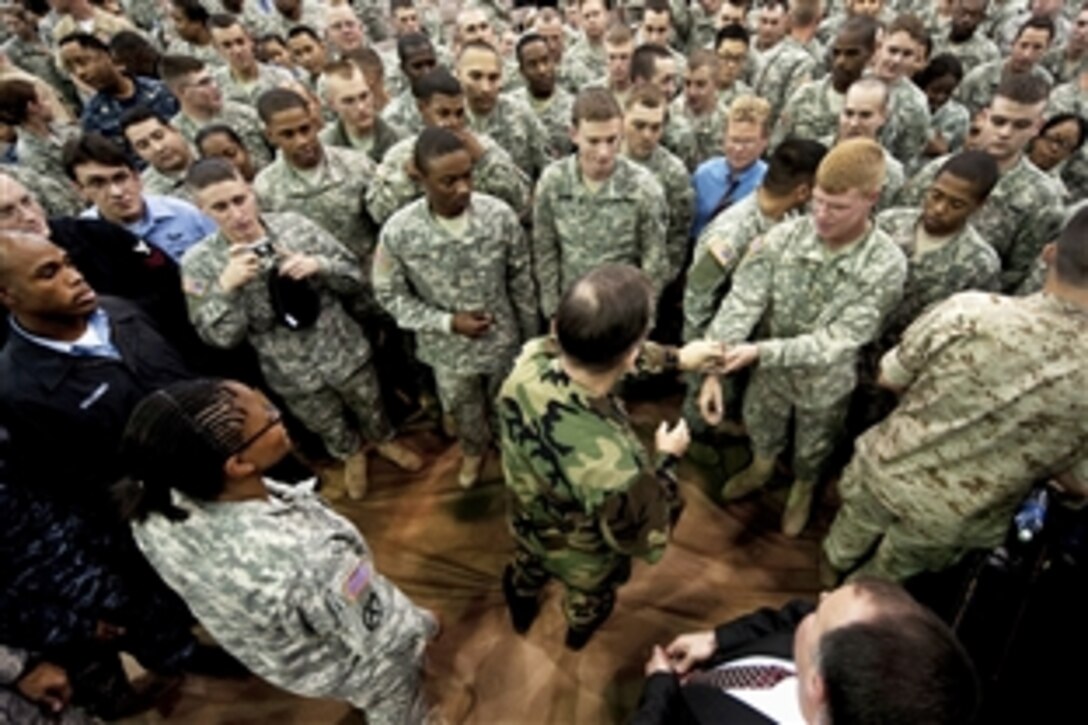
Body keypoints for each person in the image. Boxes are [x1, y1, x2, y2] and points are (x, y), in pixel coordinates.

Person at [120, 379, 437, 724]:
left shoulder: (155, 507)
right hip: (352, 658)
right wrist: (407, 631)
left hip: (280, 652)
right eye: (269, 418)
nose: (277, 413)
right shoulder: (312, 559)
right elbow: (382, 636)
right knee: (394, 691)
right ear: (238, 465)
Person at [822, 207, 1088, 584]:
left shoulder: (969, 313)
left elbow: (889, 376)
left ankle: (826, 576)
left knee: (843, 544)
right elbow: (1078, 482)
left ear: (1048, 253)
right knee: (882, 583)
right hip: (959, 515)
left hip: (889, 468)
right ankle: (845, 606)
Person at [499, 264, 725, 650]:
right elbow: (641, 537)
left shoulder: (528, 365)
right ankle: (576, 635)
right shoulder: (617, 467)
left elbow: (594, 355)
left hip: (526, 522)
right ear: (633, 350)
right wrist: (667, 460)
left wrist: (678, 359)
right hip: (584, 561)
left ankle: (520, 606)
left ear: (556, 326)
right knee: (587, 605)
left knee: (525, 572)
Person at [700, 139, 907, 537]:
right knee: (762, 427)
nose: (822, 216)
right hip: (768, 375)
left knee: (813, 447)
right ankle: (760, 468)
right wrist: (713, 365)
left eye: (838, 207)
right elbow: (744, 300)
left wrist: (760, 351)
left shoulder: (885, 264)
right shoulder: (784, 238)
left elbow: (841, 339)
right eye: (817, 202)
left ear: (872, 198)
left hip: (825, 382)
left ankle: (803, 487)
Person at [181, 159, 420, 499]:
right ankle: (350, 455)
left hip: (341, 348)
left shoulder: (296, 227)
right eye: (220, 207)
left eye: (239, 199)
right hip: (289, 370)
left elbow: (355, 277)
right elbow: (219, 338)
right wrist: (226, 289)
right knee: (326, 422)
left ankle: (384, 440)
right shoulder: (199, 263)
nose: (237, 214)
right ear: (201, 211)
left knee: (370, 402)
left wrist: (319, 266)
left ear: (251, 190)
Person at [373, 128, 537, 488]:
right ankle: (474, 452)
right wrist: (446, 322)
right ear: (421, 178)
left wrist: (530, 342)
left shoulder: (499, 216)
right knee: (464, 410)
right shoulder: (399, 232)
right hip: (448, 352)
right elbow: (389, 295)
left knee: (508, 405)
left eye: (467, 176)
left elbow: (521, 282)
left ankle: (511, 453)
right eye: (448, 181)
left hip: (502, 342)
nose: (462, 188)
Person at [631, 578, 980, 724]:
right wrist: (719, 639)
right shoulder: (846, 659)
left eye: (819, 616)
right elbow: (791, 618)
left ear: (818, 687)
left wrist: (660, 690)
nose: (821, 597)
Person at [897, 73, 1065, 293]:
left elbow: (1021, 274)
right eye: (999, 121)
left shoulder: (1043, 198)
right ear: (985, 116)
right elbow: (901, 221)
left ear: (1037, 127)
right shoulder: (940, 170)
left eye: (1020, 125)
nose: (1005, 133)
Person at [532, 88, 669, 319]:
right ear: (574, 134)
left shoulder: (643, 187)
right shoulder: (553, 182)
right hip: (572, 308)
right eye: (593, 141)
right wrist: (553, 314)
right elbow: (545, 251)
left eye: (611, 140)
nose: (604, 152)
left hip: (622, 312)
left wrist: (645, 318)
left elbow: (654, 262)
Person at [366, 67, 531, 225]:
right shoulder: (402, 155)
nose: (453, 122)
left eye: (459, 113)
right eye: (443, 113)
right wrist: (407, 178)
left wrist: (484, 160)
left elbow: (521, 201)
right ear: (422, 108)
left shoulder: (482, 147)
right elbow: (379, 213)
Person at [254, 87, 378, 264]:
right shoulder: (265, 188)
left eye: (305, 129)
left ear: (314, 123)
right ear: (271, 136)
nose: (302, 141)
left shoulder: (357, 165)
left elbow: (385, 221)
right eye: (288, 134)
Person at [64, 132, 216, 263]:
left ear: (136, 177)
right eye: (98, 183)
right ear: (80, 190)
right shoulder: (81, 240)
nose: (116, 192)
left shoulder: (184, 215)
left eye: (120, 178)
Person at [623, 83, 695, 284]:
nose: (647, 135)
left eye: (655, 127)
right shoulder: (605, 160)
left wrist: (660, 279)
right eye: (639, 125)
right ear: (623, 119)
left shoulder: (674, 173)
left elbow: (679, 234)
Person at [772, 15, 879, 149]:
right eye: (836, 53)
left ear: (871, 55)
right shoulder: (805, 96)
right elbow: (776, 147)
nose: (841, 61)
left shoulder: (877, 104)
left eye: (852, 54)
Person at [58, 33, 179, 146]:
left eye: (83, 62)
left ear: (106, 55)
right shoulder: (93, 120)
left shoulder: (161, 89)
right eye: (71, 69)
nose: (80, 73)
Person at [455, 41, 554, 179]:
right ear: (458, 74)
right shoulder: (448, 119)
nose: (485, 88)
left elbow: (549, 170)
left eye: (493, 78)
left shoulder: (521, 114)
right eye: (476, 77)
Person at [159, 54, 273, 170]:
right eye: (204, 83)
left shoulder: (243, 112)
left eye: (212, 80)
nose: (214, 86)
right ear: (183, 92)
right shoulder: (176, 134)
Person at [691, 95, 770, 237]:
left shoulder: (769, 183)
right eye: (734, 140)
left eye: (748, 142)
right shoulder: (703, 175)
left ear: (764, 142)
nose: (738, 149)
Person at [954, 14, 1055, 116]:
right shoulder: (980, 76)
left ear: (1047, 49)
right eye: (1023, 45)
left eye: (1037, 48)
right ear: (1014, 42)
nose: (1027, 55)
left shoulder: (1044, 83)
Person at [208, 14, 295, 106]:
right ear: (216, 48)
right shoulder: (214, 87)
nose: (237, 51)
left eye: (240, 42)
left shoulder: (280, 78)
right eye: (227, 45)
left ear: (250, 41)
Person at [512, 32, 575, 158]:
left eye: (545, 60)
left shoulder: (574, 107)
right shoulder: (511, 107)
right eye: (532, 64)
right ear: (522, 71)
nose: (542, 69)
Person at [120, 107, 198, 201]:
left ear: (173, 129)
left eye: (159, 136)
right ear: (137, 153)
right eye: (143, 145)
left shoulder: (213, 149)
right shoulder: (149, 196)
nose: (158, 148)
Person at [379, 32, 438, 134]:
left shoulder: (461, 101)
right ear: (403, 69)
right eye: (417, 66)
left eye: (431, 63)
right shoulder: (394, 115)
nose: (426, 72)